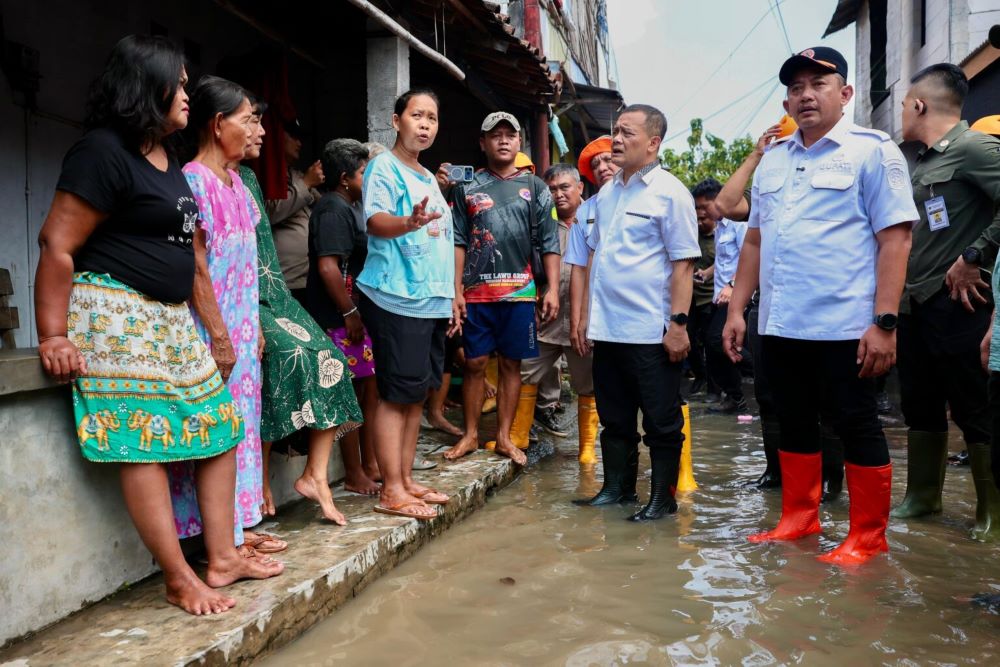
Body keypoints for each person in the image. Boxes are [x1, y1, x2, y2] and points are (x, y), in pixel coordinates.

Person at [35, 36, 282, 616]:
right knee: (142, 438)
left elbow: (187, 249)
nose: (189, 94)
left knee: (220, 427)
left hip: (169, 317)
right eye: (181, 82)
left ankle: (221, 557)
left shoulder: (168, 158)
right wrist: (53, 334)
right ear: (148, 86)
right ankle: (178, 577)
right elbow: (57, 242)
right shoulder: (101, 151)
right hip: (114, 311)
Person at [722, 46, 918, 565]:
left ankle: (868, 536)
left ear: (845, 93)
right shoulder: (775, 160)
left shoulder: (872, 151)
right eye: (795, 87)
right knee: (792, 420)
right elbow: (755, 243)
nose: (805, 95)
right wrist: (738, 310)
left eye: (818, 84)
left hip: (846, 325)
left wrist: (885, 323)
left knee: (856, 423)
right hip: (782, 322)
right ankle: (799, 518)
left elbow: (895, 240)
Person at [574, 104, 701, 522]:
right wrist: (589, 321)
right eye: (616, 131)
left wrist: (679, 325)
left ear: (653, 143)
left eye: (627, 132)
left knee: (662, 421)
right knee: (615, 417)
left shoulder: (670, 192)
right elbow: (597, 260)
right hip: (610, 329)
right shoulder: (607, 194)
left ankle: (662, 499)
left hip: (652, 330)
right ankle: (617, 489)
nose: (617, 139)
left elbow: (683, 264)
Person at [172, 75, 280, 553]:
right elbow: (197, 268)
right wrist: (219, 336)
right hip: (211, 333)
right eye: (248, 119)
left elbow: (246, 268)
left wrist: (252, 325)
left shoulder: (236, 182)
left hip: (239, 330)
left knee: (241, 428)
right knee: (216, 433)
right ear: (217, 125)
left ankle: (238, 530)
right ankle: (219, 543)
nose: (256, 128)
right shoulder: (194, 181)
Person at [240, 104, 363, 523]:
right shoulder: (204, 179)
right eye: (250, 122)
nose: (259, 131)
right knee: (275, 363)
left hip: (275, 293)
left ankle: (315, 475)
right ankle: (256, 480)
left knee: (331, 360)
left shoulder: (250, 179)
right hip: (241, 300)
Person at [893, 64, 1000, 541]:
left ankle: (991, 513)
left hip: (960, 300)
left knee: (974, 405)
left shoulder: (974, 147)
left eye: (903, 103)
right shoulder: (923, 159)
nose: (902, 112)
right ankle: (923, 497)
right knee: (920, 402)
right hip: (916, 303)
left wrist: (977, 254)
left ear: (919, 105)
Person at [716, 120, 845, 501]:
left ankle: (830, 480)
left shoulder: (839, 176)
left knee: (826, 399)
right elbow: (726, 204)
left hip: (825, 308)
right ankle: (777, 472)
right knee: (771, 395)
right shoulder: (770, 188)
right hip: (770, 308)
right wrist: (758, 155)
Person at [357, 88, 454, 520]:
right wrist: (408, 222)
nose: (425, 124)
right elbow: (377, 222)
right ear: (396, 121)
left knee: (415, 395)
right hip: (397, 294)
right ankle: (391, 488)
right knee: (395, 396)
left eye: (432, 118)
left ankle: (406, 478)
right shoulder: (384, 167)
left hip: (430, 298)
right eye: (417, 115)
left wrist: (452, 296)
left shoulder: (428, 176)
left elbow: (444, 240)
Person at [443, 111, 561, 466]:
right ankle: (470, 435)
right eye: (496, 135)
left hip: (519, 293)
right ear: (483, 143)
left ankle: (506, 438)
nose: (504, 140)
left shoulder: (536, 187)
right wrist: (456, 290)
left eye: (510, 134)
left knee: (512, 364)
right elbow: (458, 241)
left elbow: (550, 242)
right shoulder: (467, 187)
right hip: (476, 293)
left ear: (519, 142)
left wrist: (552, 288)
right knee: (475, 362)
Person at [303, 138, 384, 496]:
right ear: (344, 177)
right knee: (349, 391)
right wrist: (349, 312)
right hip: (336, 316)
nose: (369, 177)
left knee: (367, 387)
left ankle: (369, 463)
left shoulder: (350, 205)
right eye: (364, 171)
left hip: (352, 314)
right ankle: (353, 471)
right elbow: (328, 267)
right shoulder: (333, 209)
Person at [519, 163, 597, 463]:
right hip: (546, 319)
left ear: (579, 188)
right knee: (526, 371)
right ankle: (518, 436)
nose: (558, 194)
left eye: (565, 187)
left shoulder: (595, 221)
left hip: (584, 323)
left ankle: (587, 448)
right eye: (552, 189)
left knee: (587, 385)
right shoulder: (540, 226)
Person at [691, 178, 748, 414]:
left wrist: (734, 284)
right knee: (713, 349)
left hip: (737, 296)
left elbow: (749, 258)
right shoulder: (720, 227)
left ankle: (744, 390)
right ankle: (733, 397)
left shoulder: (739, 223)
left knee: (719, 342)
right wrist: (707, 273)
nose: (701, 213)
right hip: (719, 296)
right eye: (698, 208)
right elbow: (724, 259)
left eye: (705, 206)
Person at [567, 136, 620, 359]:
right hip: (598, 310)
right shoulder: (585, 211)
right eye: (595, 165)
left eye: (608, 160)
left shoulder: (645, 200)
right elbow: (579, 268)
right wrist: (578, 321)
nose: (602, 168)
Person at [266, 118, 324, 303]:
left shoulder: (296, 175)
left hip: (307, 277)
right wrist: (306, 183)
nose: (299, 143)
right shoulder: (264, 175)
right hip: (285, 280)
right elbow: (269, 214)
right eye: (293, 136)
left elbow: (323, 208)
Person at [688, 204, 718, 400]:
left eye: (703, 219)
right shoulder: (691, 234)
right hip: (690, 296)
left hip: (711, 297)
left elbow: (728, 261)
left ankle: (715, 388)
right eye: (697, 219)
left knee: (711, 342)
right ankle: (700, 376)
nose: (700, 223)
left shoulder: (721, 236)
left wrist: (708, 273)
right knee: (688, 338)